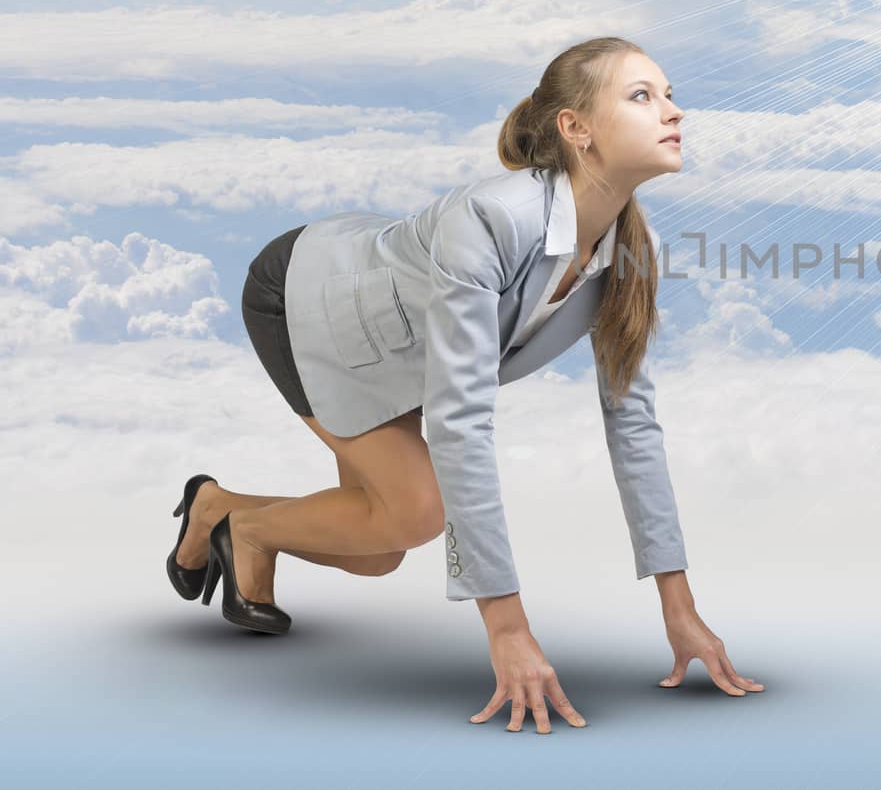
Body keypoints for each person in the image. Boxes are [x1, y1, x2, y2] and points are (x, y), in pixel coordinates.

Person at [165, 36, 763, 732]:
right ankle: (245, 526)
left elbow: (633, 425)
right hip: (309, 300)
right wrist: (506, 626)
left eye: (669, 93)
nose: (674, 111)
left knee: (379, 550)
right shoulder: (492, 218)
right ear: (577, 129)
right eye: (643, 96)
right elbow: (460, 419)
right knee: (415, 512)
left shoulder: (631, 252)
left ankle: (224, 512)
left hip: (406, 346)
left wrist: (679, 606)